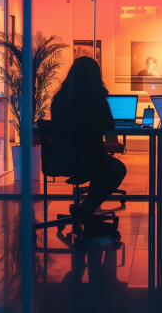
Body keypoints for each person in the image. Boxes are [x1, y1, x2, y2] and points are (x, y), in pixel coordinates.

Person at [50, 56, 127, 230]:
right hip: (90, 160)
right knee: (116, 168)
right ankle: (87, 206)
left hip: (60, 160)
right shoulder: (96, 99)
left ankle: (86, 208)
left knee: (100, 166)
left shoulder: (59, 98)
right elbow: (110, 124)